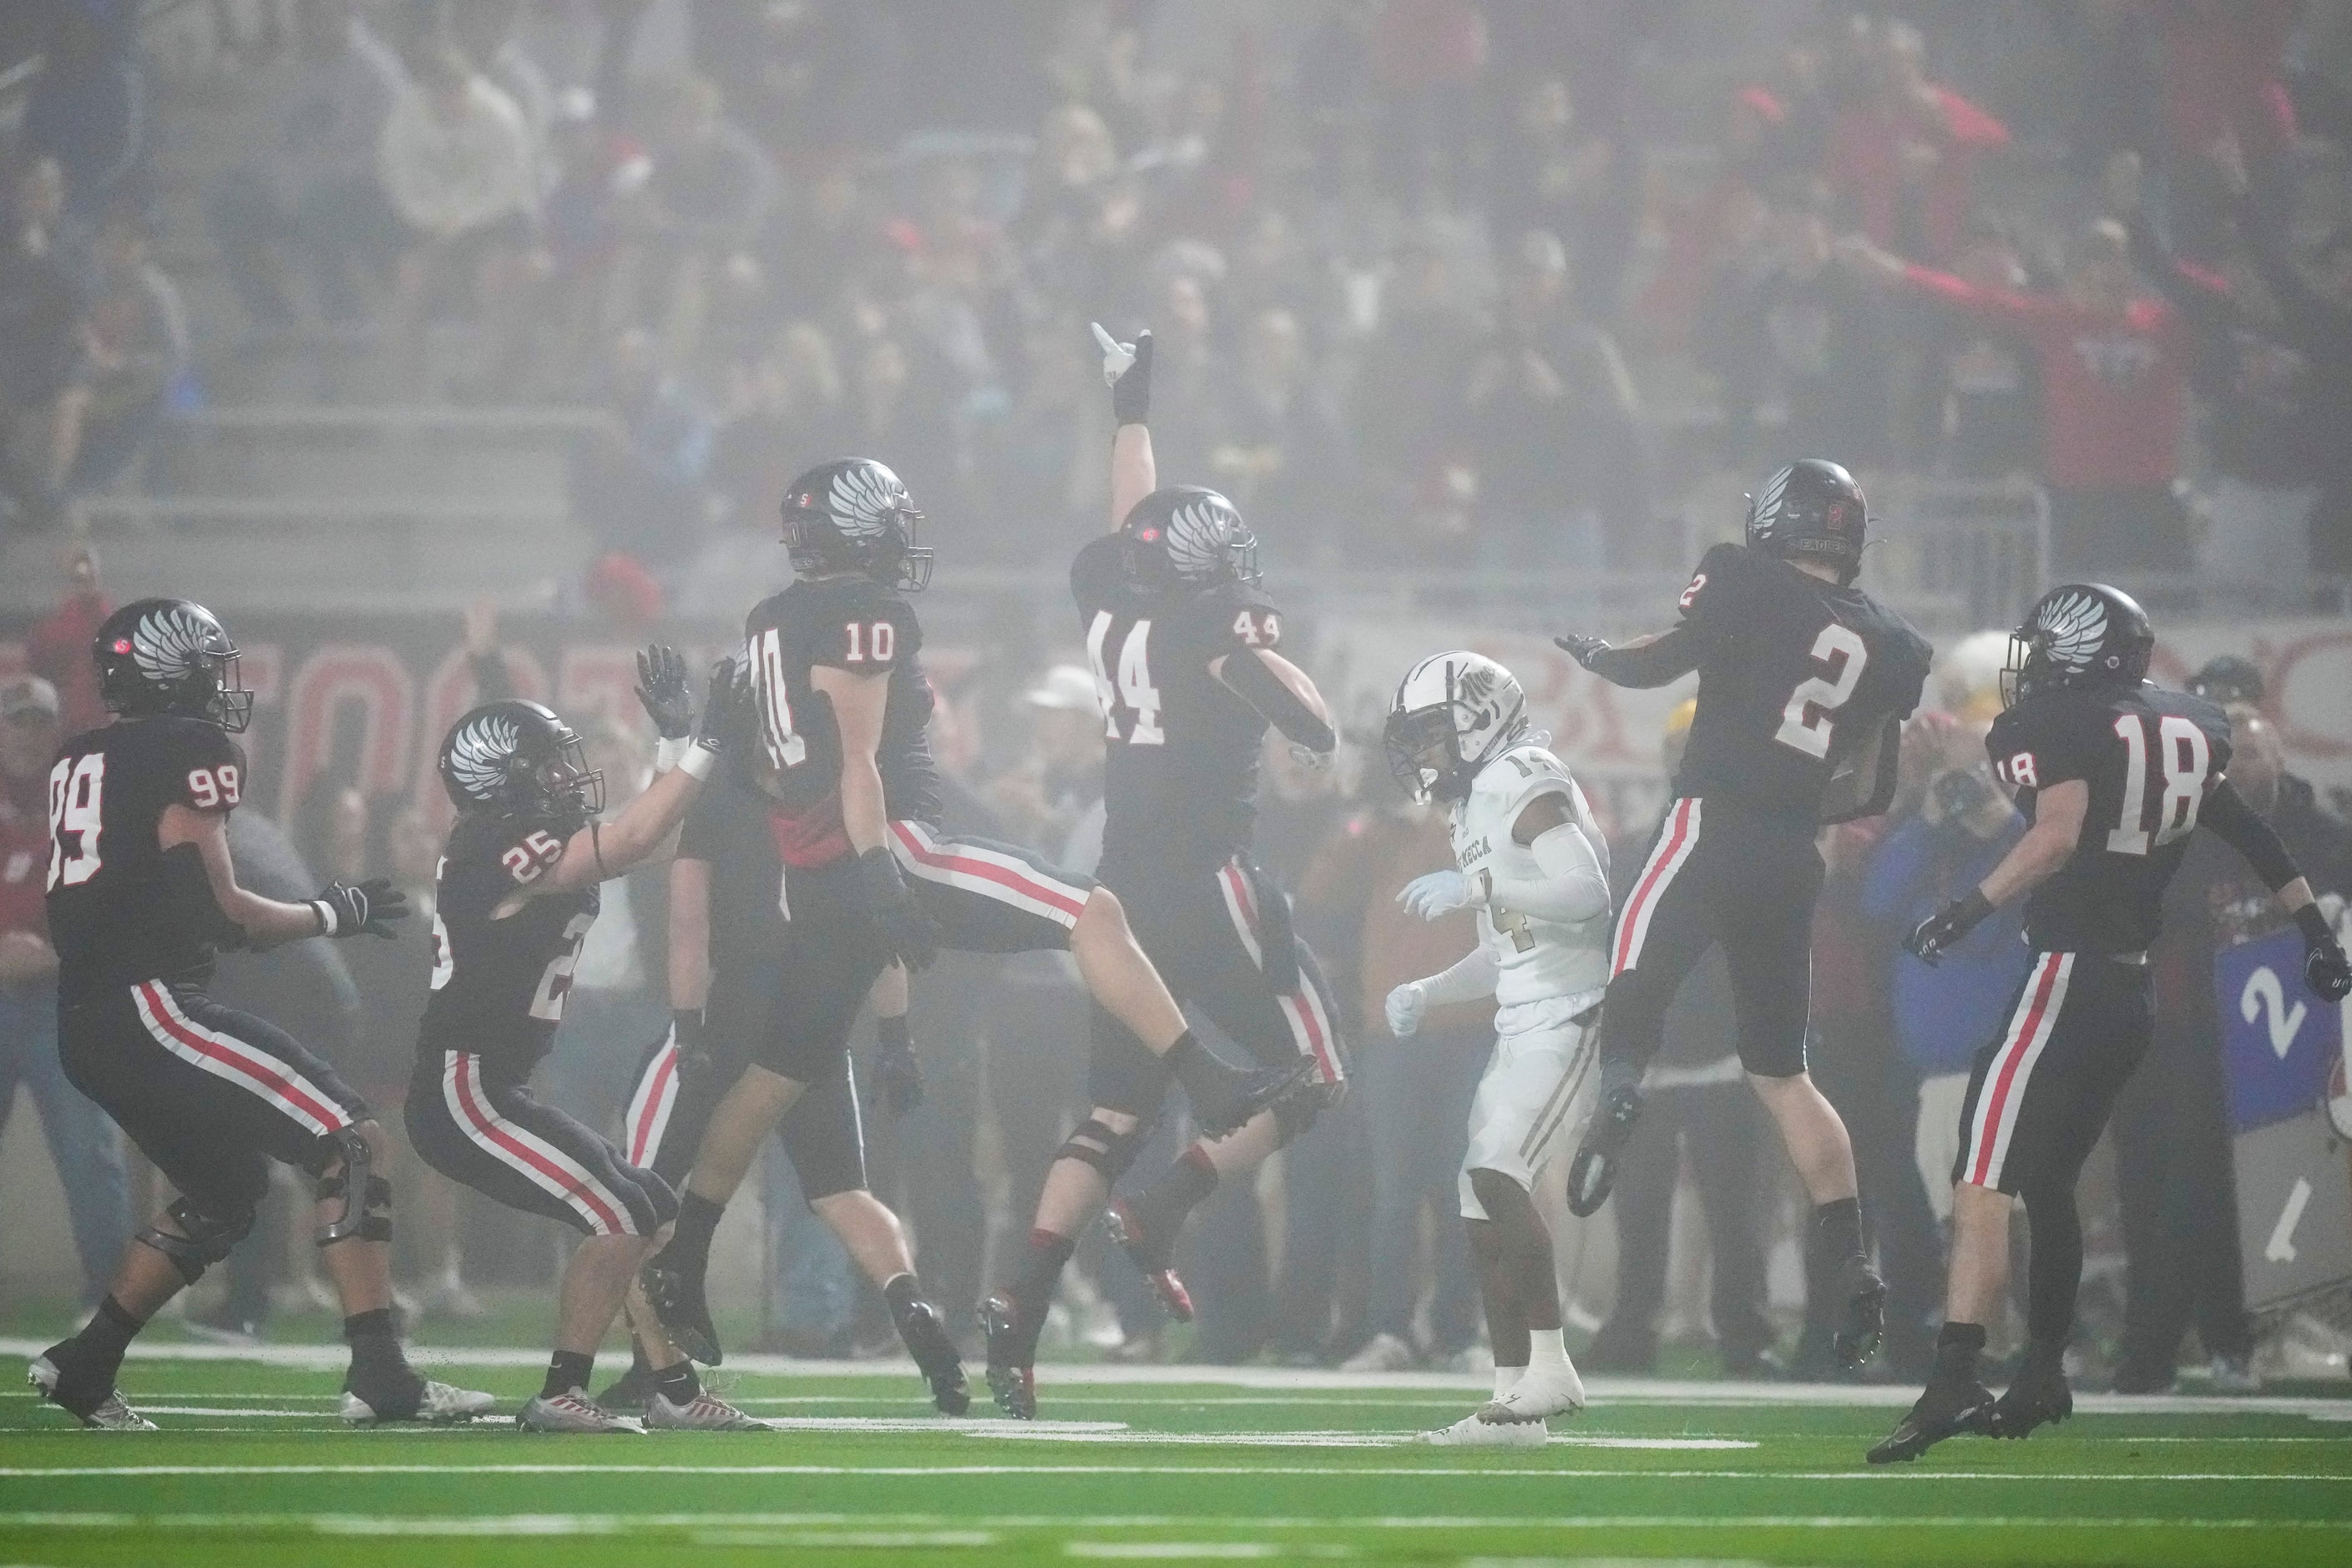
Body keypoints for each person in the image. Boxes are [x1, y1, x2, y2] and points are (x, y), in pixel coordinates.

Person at [637, 455, 1302, 1403]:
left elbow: (778, 770)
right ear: (863, 532)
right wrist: (882, 873)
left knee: (777, 1074)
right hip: (893, 844)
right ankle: (1206, 1074)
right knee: (1092, 909)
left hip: (809, 871)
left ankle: (684, 1253)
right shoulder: (864, 614)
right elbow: (861, 762)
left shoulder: (768, 621)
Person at [1870, 584, 2352, 1464]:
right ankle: (2045, 1368)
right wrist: (2316, 931)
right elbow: (2257, 837)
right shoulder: (2189, 727)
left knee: (1981, 1178)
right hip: (2127, 995)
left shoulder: (2050, 730)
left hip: (2061, 977)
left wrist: (1966, 912)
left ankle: (1953, 1376)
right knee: (2048, 1184)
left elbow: (2055, 836)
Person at [984, 326, 1344, 1419]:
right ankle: (1170, 1208)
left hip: (1120, 898)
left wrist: (1128, 407)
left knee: (1109, 1113)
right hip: (1212, 881)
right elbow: (1316, 723)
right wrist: (1290, 690)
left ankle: (1021, 1303)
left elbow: (1129, 517)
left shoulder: (1110, 600)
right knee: (1315, 1076)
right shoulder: (1209, 622)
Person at [30, 598, 493, 1430]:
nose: (219, 684)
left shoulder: (81, 755)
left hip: (88, 1020)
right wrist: (332, 913)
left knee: (224, 1186)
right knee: (352, 1137)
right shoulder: (188, 747)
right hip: (154, 1005)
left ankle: (85, 1363)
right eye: (208, 666)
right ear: (177, 672)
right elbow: (227, 916)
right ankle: (383, 1371)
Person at [1555, 458, 1935, 1377]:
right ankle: (1850, 1266)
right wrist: (1803, 810)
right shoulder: (1896, 646)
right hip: (1791, 853)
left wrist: (1598, 655)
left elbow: (1663, 662)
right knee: (1783, 1073)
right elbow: (1876, 780)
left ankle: (1618, 1088)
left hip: (1709, 823)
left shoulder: (1740, 573)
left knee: (1631, 987)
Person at [403, 650, 757, 1434]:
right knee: (617, 1215)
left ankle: (667, 1385)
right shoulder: (491, 844)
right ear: (506, 782)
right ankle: (562, 1391)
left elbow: (658, 839)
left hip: (497, 1089)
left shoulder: (519, 835)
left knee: (647, 1204)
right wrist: (703, 747)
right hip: (464, 1093)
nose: (567, 776)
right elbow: (632, 840)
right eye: (550, 765)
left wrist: (672, 744)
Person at [599, 750, 969, 1416]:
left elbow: (687, 925)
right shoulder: (841, 798)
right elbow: (881, 937)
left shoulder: (719, 801)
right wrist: (895, 1036)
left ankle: (656, 1369)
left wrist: (687, 1031)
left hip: (729, 1017)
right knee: (843, 1191)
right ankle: (908, 1301)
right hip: (814, 1025)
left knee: (638, 1197)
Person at [1380, 651, 1611, 1444]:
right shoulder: (1474, 800)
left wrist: (1477, 887)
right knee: (1476, 1201)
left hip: (1570, 1009)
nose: (1425, 754)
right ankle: (1512, 1396)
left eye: (1432, 734)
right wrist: (1429, 991)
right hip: (1521, 1014)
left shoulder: (1523, 774)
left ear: (1476, 717)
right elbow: (1503, 946)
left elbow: (1585, 895)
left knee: (1496, 1172)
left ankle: (1551, 1368)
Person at [0, 674, 130, 1303]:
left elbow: (108, 904)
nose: (26, 733)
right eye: (15, 720)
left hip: (60, 996)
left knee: (89, 1152)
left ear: (55, 730)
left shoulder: (81, 806)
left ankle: (111, 1299)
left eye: (36, 721)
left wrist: (51, 954)